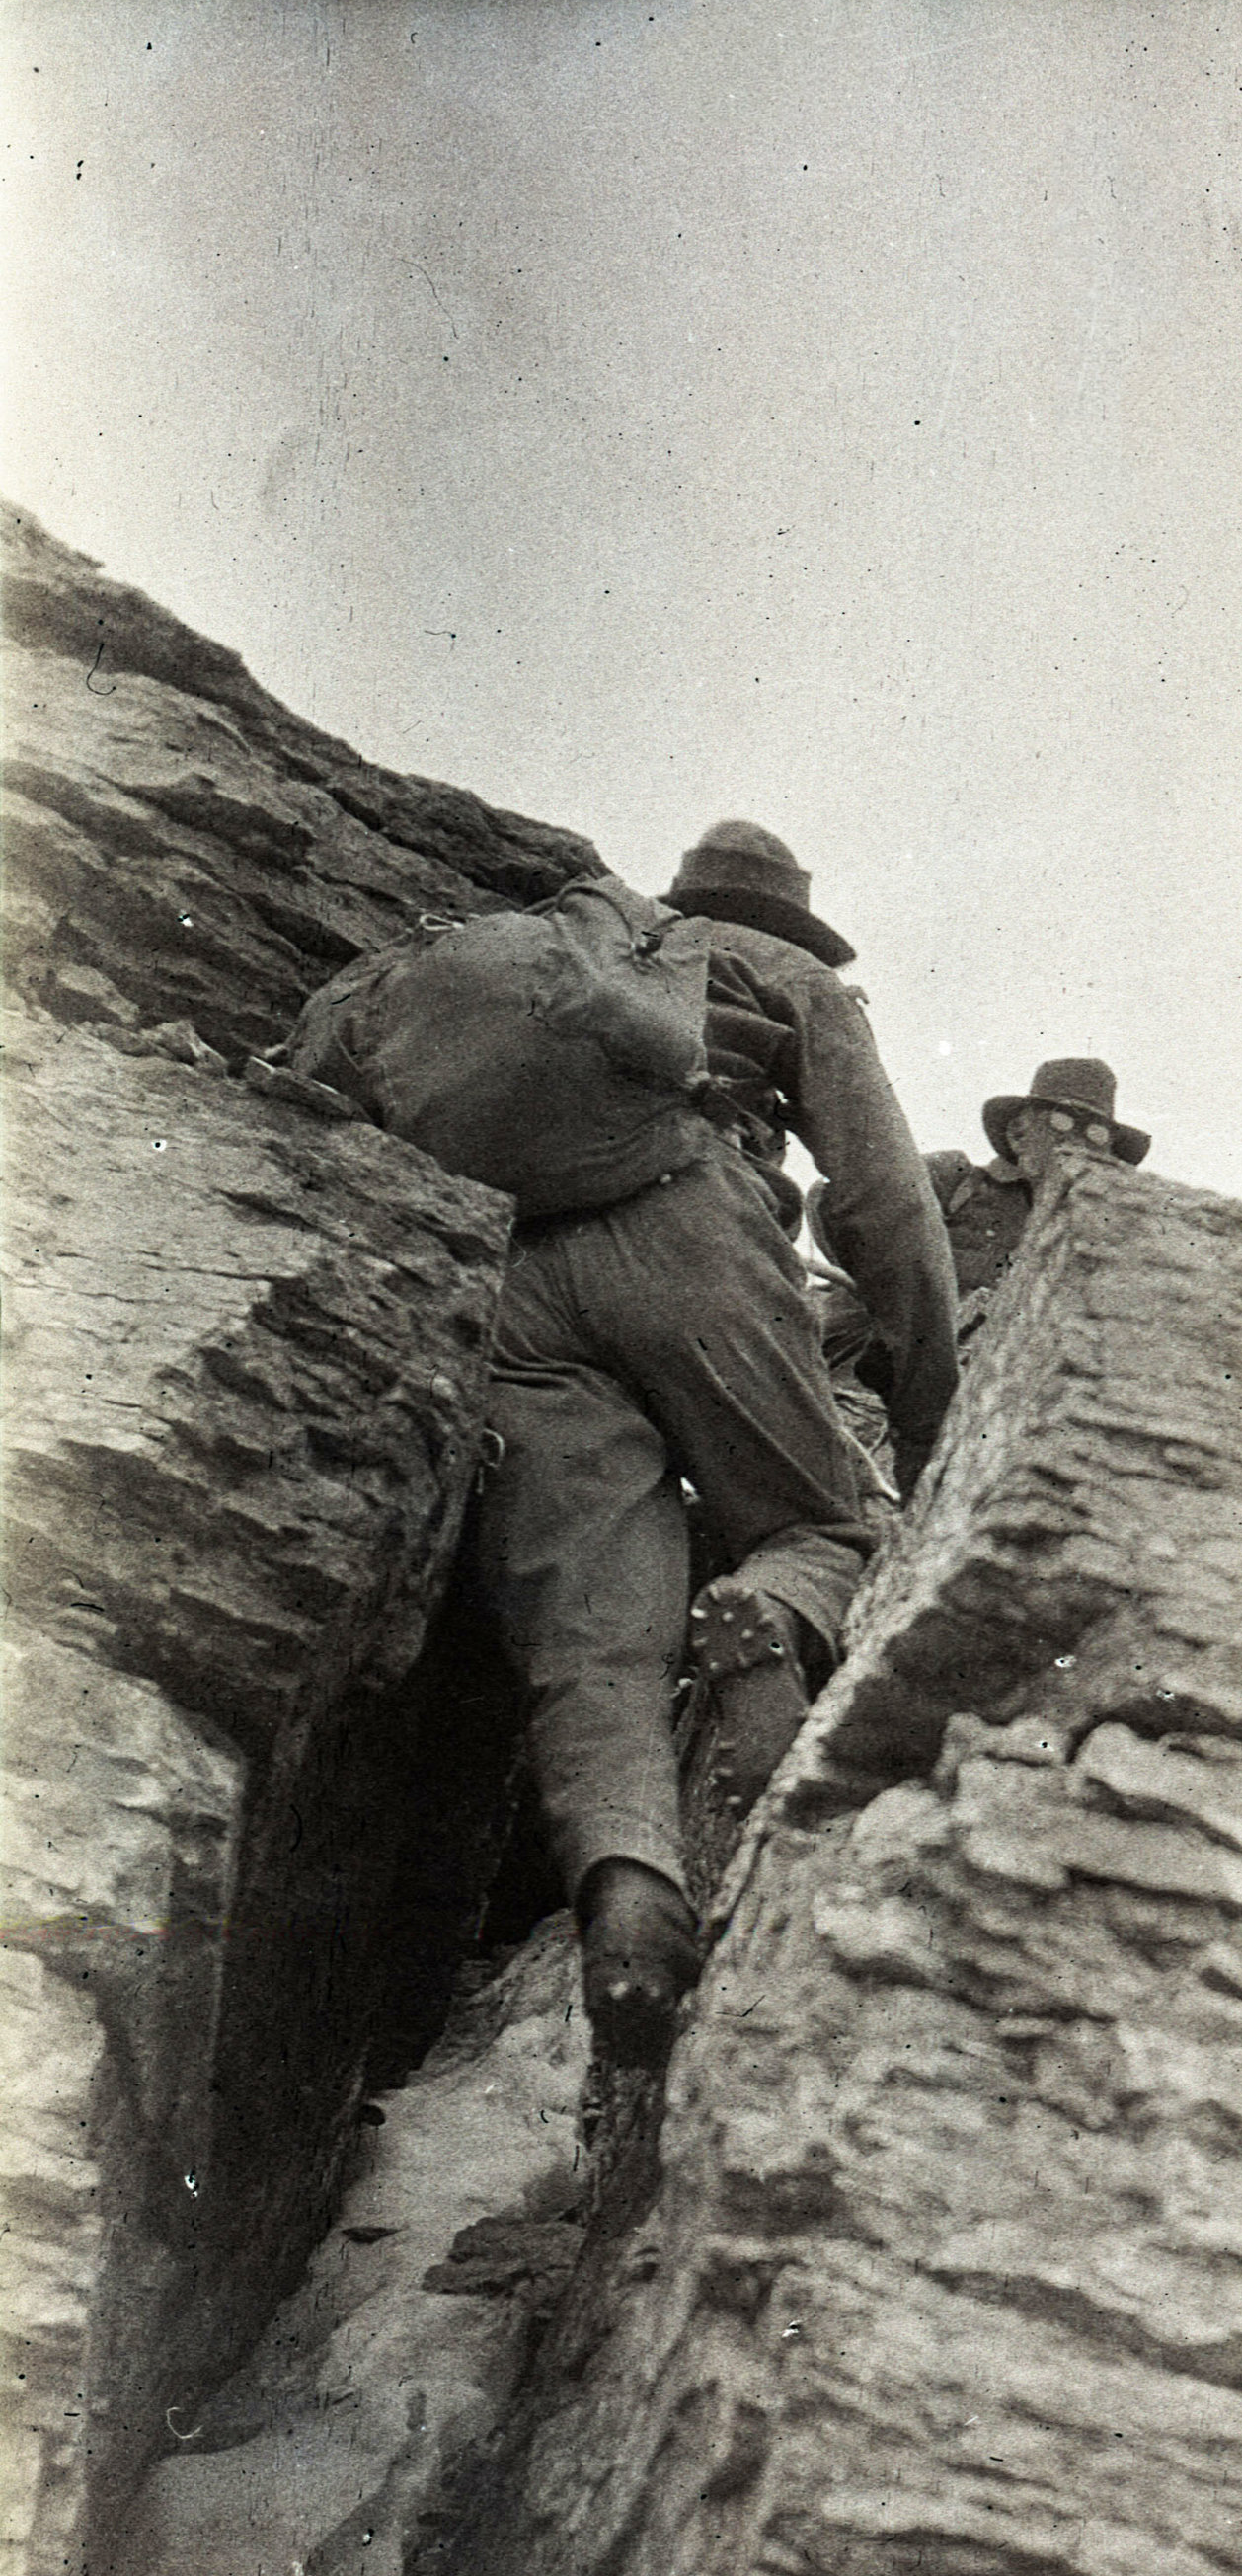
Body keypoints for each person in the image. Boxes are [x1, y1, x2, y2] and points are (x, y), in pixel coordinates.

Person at [296, 822, 958, 2073]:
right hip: (690, 1224)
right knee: (817, 1525)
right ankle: (767, 1611)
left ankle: (629, 1880)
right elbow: (883, 1202)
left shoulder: (590, 950)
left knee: (592, 1627)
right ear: (794, 918)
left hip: (515, 1271)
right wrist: (931, 1424)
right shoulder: (792, 978)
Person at [925, 1057, 1151, 1326]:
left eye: (1095, 1133)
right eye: (1060, 1122)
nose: (1076, 1142)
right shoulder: (952, 1177)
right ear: (1018, 1134)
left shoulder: (1102, 1236)